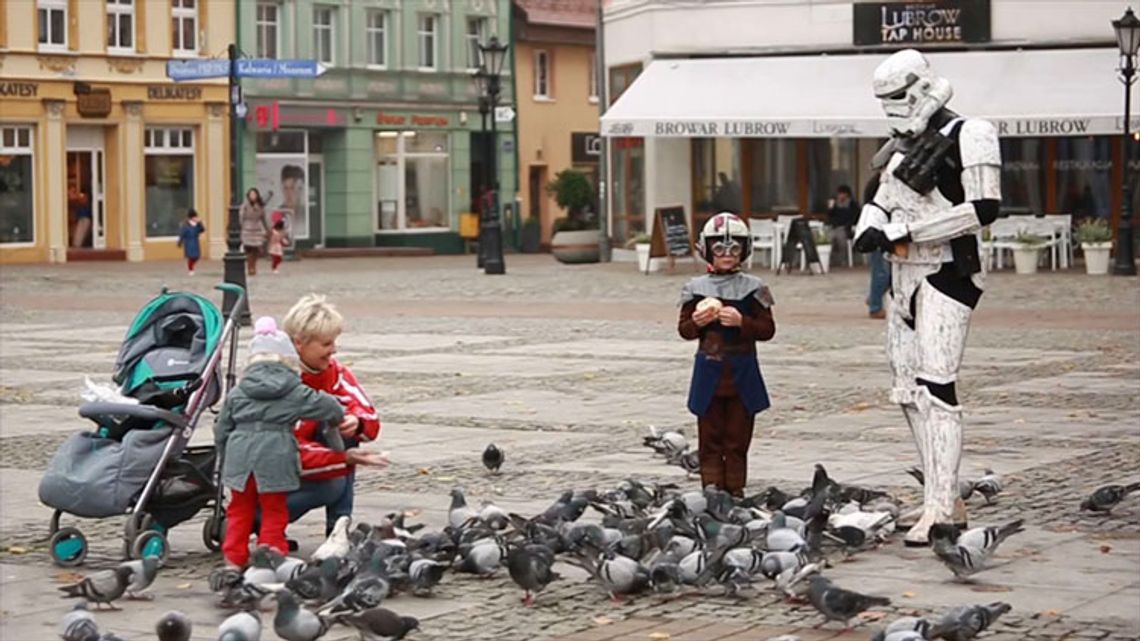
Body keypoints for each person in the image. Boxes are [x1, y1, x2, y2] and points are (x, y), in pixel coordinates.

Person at [853, 49, 1001, 546]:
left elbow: (982, 208)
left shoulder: (971, 133)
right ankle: (940, 493)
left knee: (937, 389)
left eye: (898, 96)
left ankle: (941, 508)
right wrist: (871, 222)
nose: (893, 107)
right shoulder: (899, 145)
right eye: (884, 100)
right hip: (901, 275)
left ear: (920, 86)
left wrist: (907, 229)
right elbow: (879, 197)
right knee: (908, 391)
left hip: (948, 270)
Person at [214, 317, 344, 568]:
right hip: (276, 453)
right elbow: (327, 405)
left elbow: (222, 427)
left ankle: (233, 559)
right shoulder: (294, 390)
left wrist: (224, 453)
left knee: (239, 509)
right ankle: (271, 556)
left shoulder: (239, 391)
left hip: (240, 455)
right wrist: (337, 418)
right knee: (274, 508)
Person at [677, 212, 776, 498]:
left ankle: (735, 489)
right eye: (719, 248)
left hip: (742, 372)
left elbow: (768, 329)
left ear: (745, 250)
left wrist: (743, 323)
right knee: (709, 437)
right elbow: (684, 330)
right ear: (707, 249)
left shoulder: (755, 288)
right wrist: (698, 322)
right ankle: (711, 489)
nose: (727, 255)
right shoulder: (695, 289)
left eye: (734, 248)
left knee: (737, 437)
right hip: (709, 372)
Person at [282, 294, 388, 536]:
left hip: (309, 459)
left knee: (345, 429)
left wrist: (357, 421)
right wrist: (341, 459)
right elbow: (285, 448)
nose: (334, 349)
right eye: (327, 343)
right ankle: (263, 520)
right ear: (300, 343)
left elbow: (369, 416)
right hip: (277, 470)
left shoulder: (334, 372)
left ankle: (338, 527)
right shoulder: (280, 380)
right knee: (333, 486)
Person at [860, 179, 891, 319]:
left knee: (890, 273)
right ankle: (875, 306)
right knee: (881, 272)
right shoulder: (880, 185)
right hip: (878, 231)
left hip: (886, 231)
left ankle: (874, 297)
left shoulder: (879, 183)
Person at [826, 185, 859, 268]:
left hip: (846, 228)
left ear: (847, 194)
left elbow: (855, 217)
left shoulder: (852, 204)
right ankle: (830, 261)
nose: (840, 196)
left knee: (841, 239)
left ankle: (843, 260)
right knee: (828, 238)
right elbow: (830, 216)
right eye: (839, 194)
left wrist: (848, 225)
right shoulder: (835, 204)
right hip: (834, 227)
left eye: (842, 194)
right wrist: (830, 208)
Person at [240, 188, 269, 276]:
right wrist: (241, 227)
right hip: (247, 229)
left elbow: (263, 218)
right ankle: (250, 267)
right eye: (251, 194)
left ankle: (254, 265)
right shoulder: (245, 206)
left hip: (257, 229)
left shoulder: (260, 206)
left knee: (256, 249)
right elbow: (241, 217)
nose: (253, 196)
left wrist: (267, 229)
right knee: (248, 249)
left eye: (254, 194)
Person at [176, 209, 205, 276]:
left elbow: (202, 230)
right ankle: (191, 269)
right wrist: (180, 242)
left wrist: (200, 223)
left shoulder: (197, 225)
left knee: (197, 256)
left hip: (195, 241)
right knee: (191, 256)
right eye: (195, 217)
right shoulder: (186, 225)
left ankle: (191, 268)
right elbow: (182, 234)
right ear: (192, 218)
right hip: (189, 242)